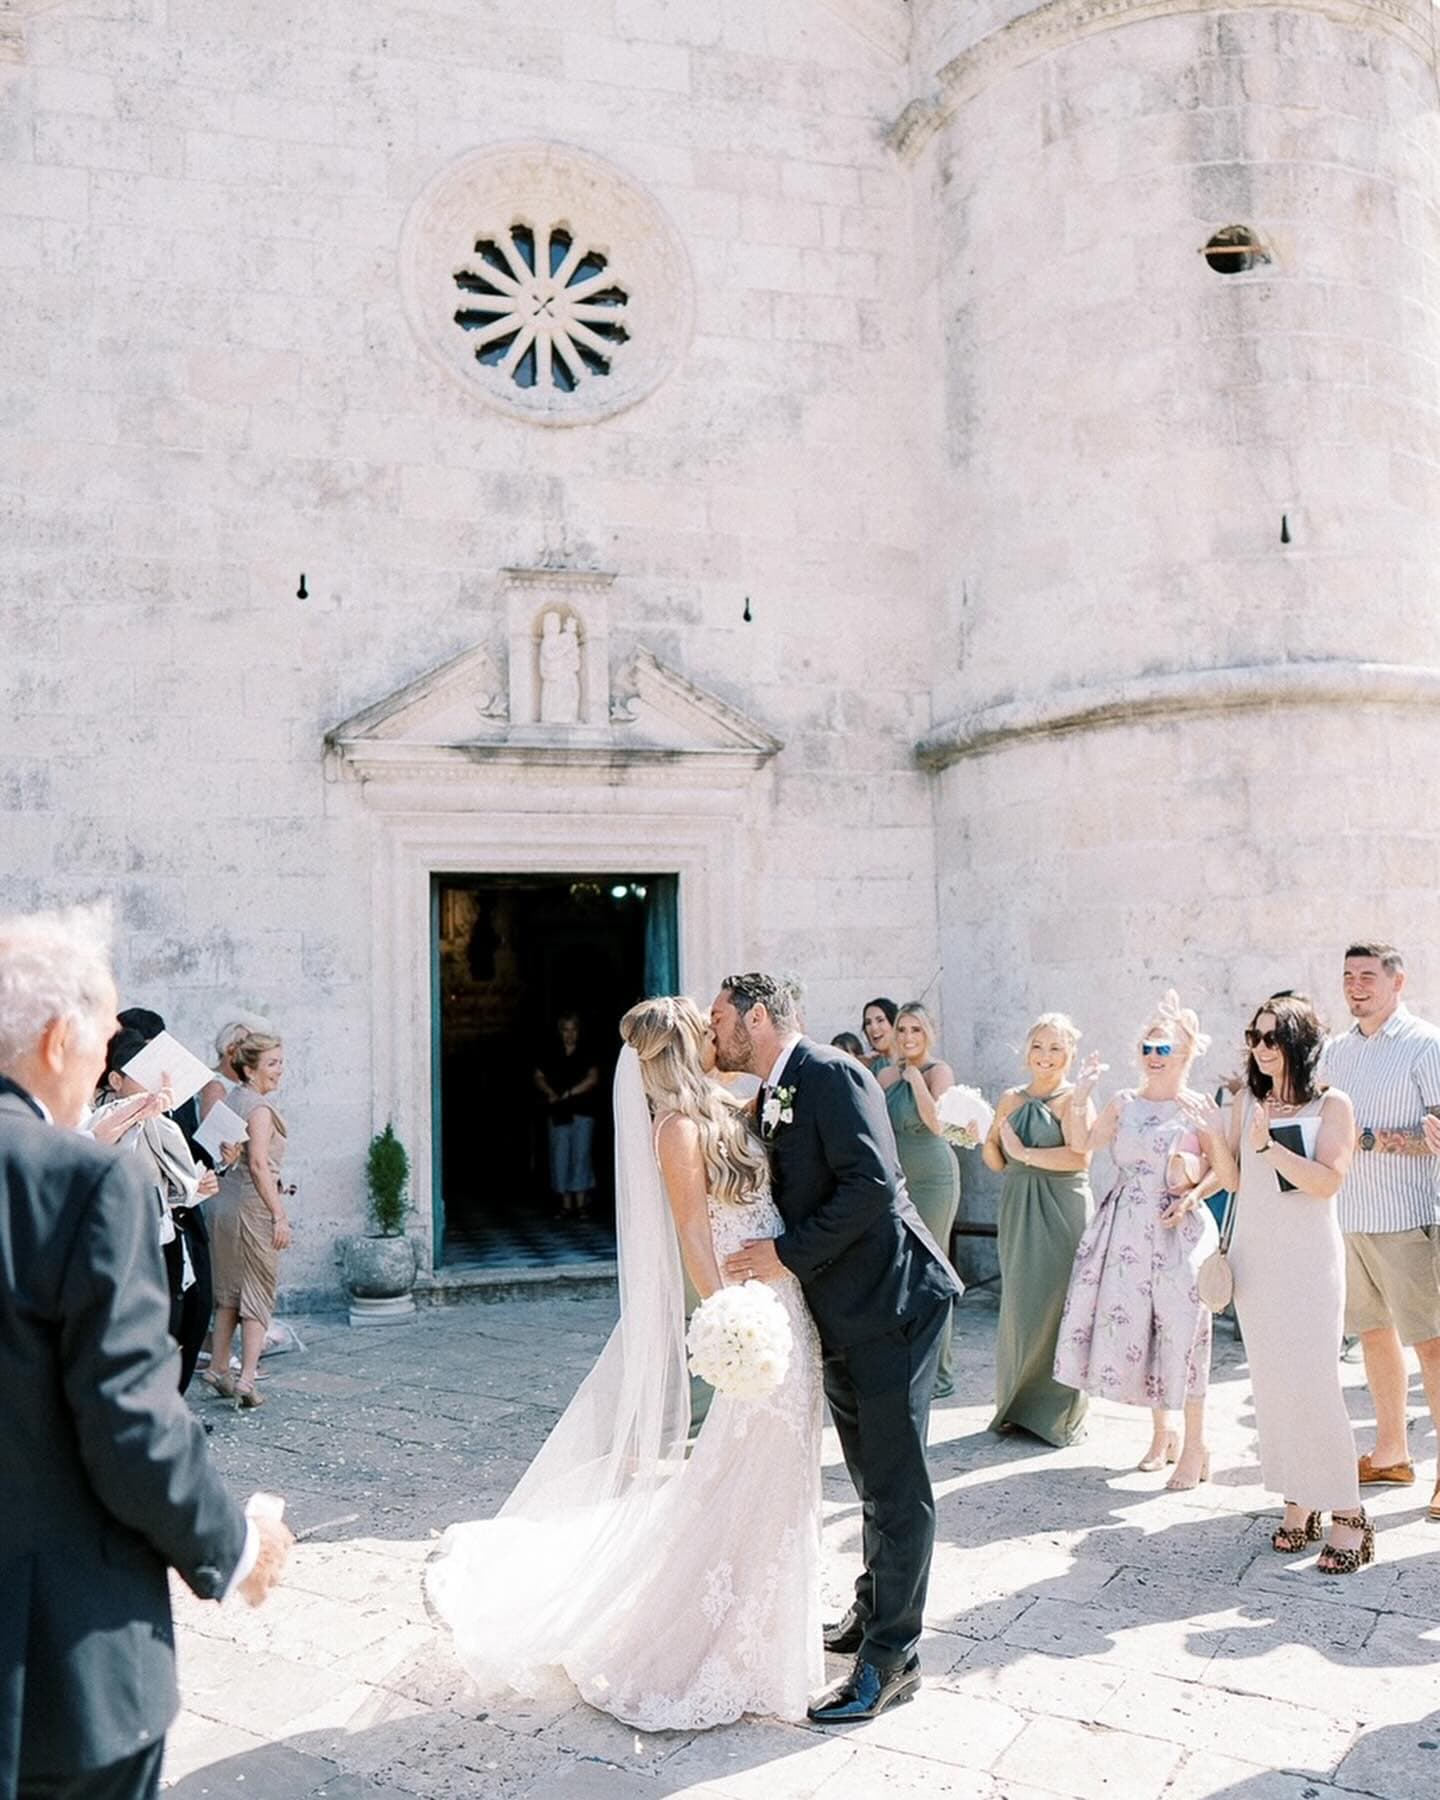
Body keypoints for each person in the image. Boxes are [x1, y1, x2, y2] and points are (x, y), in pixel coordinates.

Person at [426, 996, 824, 1729]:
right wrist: (727, 1316)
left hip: (787, 1302)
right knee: (746, 1461)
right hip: (751, 1314)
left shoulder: (737, 1103)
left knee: (785, 1462)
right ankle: (696, 1632)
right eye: (708, 1032)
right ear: (682, 1047)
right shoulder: (673, 1130)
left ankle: (769, 1621)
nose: (720, 1035)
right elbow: (693, 1232)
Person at [0, 904, 291, 1800]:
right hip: (56, 1668)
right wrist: (237, 1547)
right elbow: (128, 1419)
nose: (105, 1065)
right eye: (103, 1039)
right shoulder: (75, 1179)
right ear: (58, 1039)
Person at [712, 973, 963, 1724]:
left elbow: (871, 1185)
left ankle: (892, 1658)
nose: (715, 1032)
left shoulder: (832, 1071)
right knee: (869, 1477)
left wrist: (784, 1254)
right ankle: (869, 1613)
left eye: (721, 1018)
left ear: (756, 1016)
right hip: (845, 1313)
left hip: (893, 1303)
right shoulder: (780, 1087)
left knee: (896, 1483)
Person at [1195, 998, 1369, 1571]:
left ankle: (1349, 1514)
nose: (1262, 1048)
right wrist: (1211, 1133)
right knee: (1271, 1386)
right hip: (1256, 1261)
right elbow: (1233, 1181)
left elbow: (1327, 1181)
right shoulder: (1245, 1100)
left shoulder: (1333, 1103)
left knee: (1315, 1385)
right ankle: (1298, 1500)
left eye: (1273, 1038)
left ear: (1299, 1043)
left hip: (1310, 1262)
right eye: (1254, 1037)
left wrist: (1272, 1147)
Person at [1055, 991, 1230, 1489]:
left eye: (1164, 1050)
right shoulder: (1123, 1103)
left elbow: (1222, 1171)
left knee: (1185, 1333)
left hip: (1179, 1229)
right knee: (1142, 1330)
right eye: (1147, 1049)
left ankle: (1195, 1446)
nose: (1153, 1058)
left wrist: (1195, 1195)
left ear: (1186, 1054)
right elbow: (1081, 1143)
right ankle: (1162, 1435)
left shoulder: (1195, 1106)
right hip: (1126, 1228)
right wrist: (1082, 1096)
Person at [1318, 943, 1440, 1519]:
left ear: (1398, 981)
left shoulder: (1426, 1044)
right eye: (1348, 976)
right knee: (1372, 1334)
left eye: (1367, 975)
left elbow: (1437, 1133)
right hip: (1346, 1220)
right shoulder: (1334, 1053)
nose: (1355, 985)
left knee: (1433, 1346)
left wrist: (1365, 1139)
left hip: (1408, 1219)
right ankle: (1391, 1453)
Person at [89, 1026, 221, 1395]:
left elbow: (167, 1191)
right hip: (123, 1245)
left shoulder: (159, 1121)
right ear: (115, 1079)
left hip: (163, 1238)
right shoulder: (104, 1117)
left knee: (176, 1328)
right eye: (142, 1074)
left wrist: (196, 1189)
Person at [984, 1012, 1094, 1447]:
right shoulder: (1010, 1098)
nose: (1045, 1056)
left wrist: (1024, 1152)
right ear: (1026, 1051)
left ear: (1069, 1054)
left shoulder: (1074, 1099)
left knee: (1058, 1303)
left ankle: (1058, 1415)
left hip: (1062, 1207)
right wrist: (986, 1138)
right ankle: (1016, 1406)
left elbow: (1079, 1158)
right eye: (1038, 1046)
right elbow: (997, 1161)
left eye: (1055, 1048)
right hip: (1018, 1204)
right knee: (1019, 1304)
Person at [877, 1003, 962, 1399]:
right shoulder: (885, 1073)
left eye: (916, 1030)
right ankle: (910, 1361)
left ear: (928, 1033)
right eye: (903, 1030)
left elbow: (937, 1123)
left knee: (934, 1267)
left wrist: (914, 1081)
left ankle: (940, 1372)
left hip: (934, 1175)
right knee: (902, 1270)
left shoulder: (937, 1071)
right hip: (898, 1178)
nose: (909, 1037)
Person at [205, 1031, 291, 1408]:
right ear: (251, 1069)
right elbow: (257, 1164)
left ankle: (218, 1368)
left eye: (280, 1062)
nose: (279, 1070)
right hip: (252, 1205)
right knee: (257, 1292)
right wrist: (279, 1215)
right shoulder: (257, 1107)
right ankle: (246, 1380)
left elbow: (225, 1155)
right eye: (272, 1063)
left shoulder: (233, 1099)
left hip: (225, 1203)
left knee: (227, 1292)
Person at [533, 1013, 600, 1215]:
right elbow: (538, 1076)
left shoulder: (586, 1053)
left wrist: (571, 1092)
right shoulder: (550, 1053)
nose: (569, 1035)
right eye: (565, 1030)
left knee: (581, 1155)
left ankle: (580, 1203)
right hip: (558, 1112)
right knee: (560, 1155)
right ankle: (565, 1202)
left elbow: (593, 1077)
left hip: (582, 1110)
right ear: (560, 1032)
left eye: (573, 1030)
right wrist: (550, 1093)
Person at [861, 996, 898, 1072]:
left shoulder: (913, 1060)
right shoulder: (872, 1068)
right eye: (868, 1023)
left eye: (880, 1020)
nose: (874, 1028)